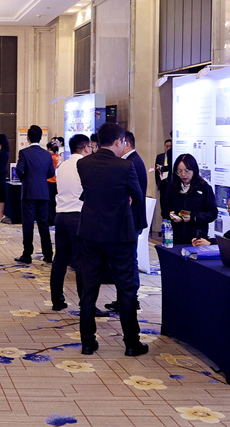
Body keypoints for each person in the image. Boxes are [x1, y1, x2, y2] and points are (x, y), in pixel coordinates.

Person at [76, 123, 146, 357]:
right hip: (119, 236)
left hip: (90, 233)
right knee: (126, 289)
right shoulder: (125, 166)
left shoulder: (83, 163)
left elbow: (90, 192)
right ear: (118, 141)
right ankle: (131, 343)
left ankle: (87, 342)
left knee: (89, 289)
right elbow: (138, 197)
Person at [49, 134, 92, 312]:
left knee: (60, 259)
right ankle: (85, 303)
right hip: (78, 216)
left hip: (61, 216)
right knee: (82, 261)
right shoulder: (84, 165)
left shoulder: (63, 165)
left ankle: (57, 300)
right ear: (85, 148)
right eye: (90, 147)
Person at [15, 125, 56, 264]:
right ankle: (48, 254)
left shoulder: (24, 153)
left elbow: (19, 170)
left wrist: (26, 180)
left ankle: (27, 254)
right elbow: (51, 173)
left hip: (28, 192)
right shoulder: (47, 154)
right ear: (41, 138)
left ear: (28, 138)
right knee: (43, 224)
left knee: (28, 224)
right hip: (43, 192)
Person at [161, 153, 218, 244]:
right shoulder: (171, 187)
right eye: (179, 171)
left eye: (187, 171)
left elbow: (212, 213)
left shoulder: (204, 188)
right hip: (175, 236)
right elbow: (164, 210)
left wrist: (192, 217)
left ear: (194, 170)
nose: (183, 174)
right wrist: (170, 215)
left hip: (196, 238)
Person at [46, 142, 60, 226]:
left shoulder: (50, 158)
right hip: (55, 181)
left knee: (49, 202)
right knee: (53, 202)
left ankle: (50, 220)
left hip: (49, 180)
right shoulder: (58, 157)